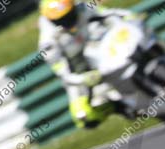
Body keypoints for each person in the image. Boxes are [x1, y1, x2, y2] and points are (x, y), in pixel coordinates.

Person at [38, 0, 137, 128]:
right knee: (83, 116)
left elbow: (109, 13)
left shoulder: (84, 7)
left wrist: (128, 16)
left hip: (103, 51)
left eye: (69, 15)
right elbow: (64, 75)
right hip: (81, 73)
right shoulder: (48, 45)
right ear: (51, 20)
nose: (67, 21)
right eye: (61, 20)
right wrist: (84, 78)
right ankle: (118, 106)